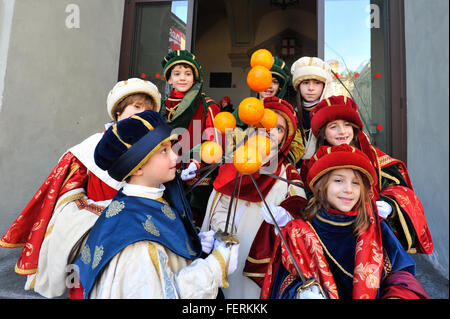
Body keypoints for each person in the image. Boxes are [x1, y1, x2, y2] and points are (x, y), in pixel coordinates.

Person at [0, 78, 161, 298]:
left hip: (136, 226)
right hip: (94, 227)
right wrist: (83, 212)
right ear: (117, 113)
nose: (142, 113)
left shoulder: (154, 150)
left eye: (148, 110)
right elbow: (68, 187)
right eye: (137, 107)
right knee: (86, 279)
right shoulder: (92, 146)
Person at [72, 110, 238, 298]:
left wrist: (192, 246)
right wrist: (215, 267)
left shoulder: (150, 200)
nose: (175, 157)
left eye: (171, 147)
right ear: (138, 167)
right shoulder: (136, 245)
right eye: (163, 151)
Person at [261, 144, 430, 299]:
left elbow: (400, 272)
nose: (348, 189)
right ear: (322, 185)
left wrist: (397, 295)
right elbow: (287, 279)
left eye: (356, 183)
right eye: (338, 180)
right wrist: (299, 293)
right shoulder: (301, 230)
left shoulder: (375, 227)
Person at [201, 97, 307, 298]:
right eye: (265, 123)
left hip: (256, 257)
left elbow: (298, 206)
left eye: (279, 128)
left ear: (285, 138)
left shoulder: (286, 173)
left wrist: (286, 215)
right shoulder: (233, 163)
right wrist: (217, 233)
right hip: (223, 250)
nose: (270, 130)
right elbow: (218, 202)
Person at [300, 95, 433, 254]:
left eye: (347, 125)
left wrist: (391, 206)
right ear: (323, 132)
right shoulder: (312, 164)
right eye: (333, 126)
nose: (342, 132)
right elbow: (307, 201)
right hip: (331, 241)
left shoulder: (377, 159)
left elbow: (402, 191)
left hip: (375, 240)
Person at [160, 50, 221, 227]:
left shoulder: (207, 105)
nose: (182, 78)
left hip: (196, 173)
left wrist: (196, 162)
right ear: (169, 79)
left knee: (193, 221)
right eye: (177, 73)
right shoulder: (162, 106)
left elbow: (213, 140)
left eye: (188, 74)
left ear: (194, 78)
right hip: (166, 172)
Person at [288, 56, 334, 166]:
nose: (311, 88)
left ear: (324, 86)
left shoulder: (333, 112)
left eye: (317, 82)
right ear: (298, 86)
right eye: (305, 82)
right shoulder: (291, 114)